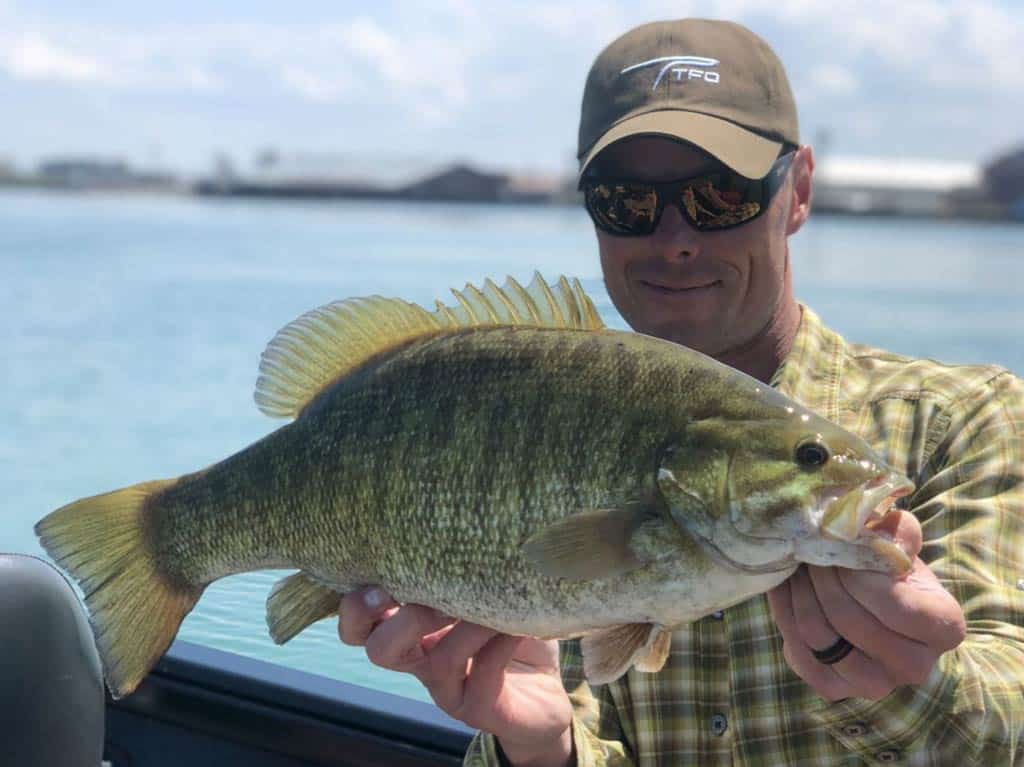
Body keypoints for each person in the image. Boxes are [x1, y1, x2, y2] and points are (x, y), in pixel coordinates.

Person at [337, 18, 1024, 766]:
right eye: (628, 201)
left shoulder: (959, 421)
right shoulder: (558, 426)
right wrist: (542, 746)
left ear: (797, 192)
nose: (676, 238)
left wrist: (910, 682)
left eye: (720, 194)